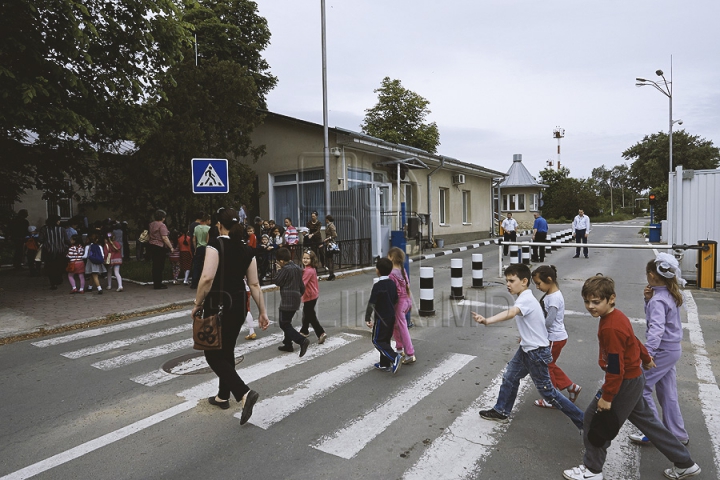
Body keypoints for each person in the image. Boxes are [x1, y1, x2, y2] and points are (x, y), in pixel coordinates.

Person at [562, 275, 700, 480]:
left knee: (593, 421)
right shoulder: (616, 316)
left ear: (611, 299)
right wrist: (645, 357)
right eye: (587, 301)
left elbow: (616, 368)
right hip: (634, 380)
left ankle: (592, 470)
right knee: (650, 424)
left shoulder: (610, 327)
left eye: (596, 302)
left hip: (624, 383)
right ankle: (685, 463)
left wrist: (607, 397)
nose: (590, 306)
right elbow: (633, 340)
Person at [472, 264, 584, 430]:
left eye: (511, 280)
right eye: (506, 281)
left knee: (549, 394)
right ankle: (501, 411)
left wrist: (487, 320)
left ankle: (585, 422)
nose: (508, 284)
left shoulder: (525, 299)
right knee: (510, 376)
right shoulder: (526, 297)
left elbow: (511, 313)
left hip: (536, 353)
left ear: (524, 281)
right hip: (527, 349)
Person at [191, 208, 269, 425]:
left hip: (218, 305)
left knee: (212, 354)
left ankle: (244, 393)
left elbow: (206, 278)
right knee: (227, 350)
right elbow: (254, 284)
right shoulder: (247, 249)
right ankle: (222, 396)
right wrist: (262, 311)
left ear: (218, 225)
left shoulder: (215, 245)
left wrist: (197, 304)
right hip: (238, 306)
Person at [628, 254, 690, 446]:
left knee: (642, 387)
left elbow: (656, 329)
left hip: (662, 350)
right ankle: (678, 433)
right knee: (667, 392)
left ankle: (653, 431)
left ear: (652, 275)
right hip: (672, 350)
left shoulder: (658, 300)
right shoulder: (669, 294)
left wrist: (648, 355)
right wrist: (648, 300)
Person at [531, 265, 581, 408]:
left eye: (539, 283)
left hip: (554, 338)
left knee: (546, 367)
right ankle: (571, 387)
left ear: (549, 279)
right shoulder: (552, 295)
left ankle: (551, 398)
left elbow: (548, 321)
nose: (537, 287)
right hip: (556, 337)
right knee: (550, 365)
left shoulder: (553, 299)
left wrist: (534, 334)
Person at [365, 257, 402, 374]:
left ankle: (394, 357)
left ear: (378, 270)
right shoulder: (392, 283)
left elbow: (372, 303)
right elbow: (396, 298)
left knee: (377, 340)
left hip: (381, 318)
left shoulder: (378, 286)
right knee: (385, 340)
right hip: (391, 316)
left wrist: (367, 318)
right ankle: (384, 364)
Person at [273, 247, 310, 356]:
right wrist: (298, 295)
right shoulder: (297, 268)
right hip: (296, 298)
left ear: (281, 261)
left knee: (284, 323)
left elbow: (277, 281)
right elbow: (302, 286)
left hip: (287, 300)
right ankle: (288, 344)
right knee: (287, 322)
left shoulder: (285, 269)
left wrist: (278, 270)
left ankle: (301, 340)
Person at [388, 247, 416, 364]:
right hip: (407, 300)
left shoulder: (391, 274)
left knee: (402, 327)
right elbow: (407, 286)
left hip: (399, 303)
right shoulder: (402, 270)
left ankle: (410, 353)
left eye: (388, 256)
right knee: (396, 325)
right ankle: (399, 349)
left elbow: (395, 292)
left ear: (392, 258)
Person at [298, 250, 327, 343]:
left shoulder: (308, 271)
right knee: (306, 312)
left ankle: (320, 333)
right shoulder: (310, 269)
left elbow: (303, 284)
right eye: (304, 258)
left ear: (312, 259)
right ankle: (304, 330)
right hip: (312, 295)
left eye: (307, 258)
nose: (305, 260)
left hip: (309, 296)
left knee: (310, 315)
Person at [38, 214, 69, 290]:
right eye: (58, 220)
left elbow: (40, 239)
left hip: (49, 251)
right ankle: (58, 279)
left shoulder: (44, 229)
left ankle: (53, 283)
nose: (59, 222)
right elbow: (66, 240)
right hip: (60, 251)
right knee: (59, 266)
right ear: (56, 221)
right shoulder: (62, 229)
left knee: (50, 267)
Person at [148, 210, 174, 290]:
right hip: (160, 246)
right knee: (160, 265)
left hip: (152, 245)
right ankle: (158, 284)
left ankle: (156, 282)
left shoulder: (151, 224)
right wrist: (171, 247)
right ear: (163, 217)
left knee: (155, 265)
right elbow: (164, 237)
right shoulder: (162, 225)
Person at [191, 214, 210, 289]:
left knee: (196, 265)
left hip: (199, 247)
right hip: (206, 247)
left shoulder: (196, 228)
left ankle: (194, 283)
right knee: (205, 266)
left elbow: (193, 239)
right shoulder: (209, 228)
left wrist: (195, 248)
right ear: (207, 220)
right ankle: (203, 283)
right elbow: (208, 240)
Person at [322, 214, 338, 280]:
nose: (325, 221)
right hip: (328, 244)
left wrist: (328, 239)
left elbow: (335, 235)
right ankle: (331, 274)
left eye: (326, 219)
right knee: (329, 259)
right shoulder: (329, 225)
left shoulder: (331, 226)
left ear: (327, 220)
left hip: (330, 244)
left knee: (330, 259)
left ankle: (332, 275)